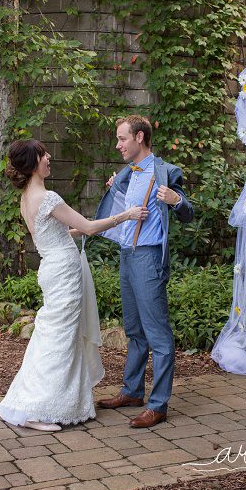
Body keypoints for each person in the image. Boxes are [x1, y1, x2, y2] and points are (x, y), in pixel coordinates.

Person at [0, 139, 149, 431]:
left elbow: (61, 232)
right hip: (63, 273)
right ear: (33, 163)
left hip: (51, 268)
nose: (49, 156)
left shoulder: (27, 199)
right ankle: (37, 409)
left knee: (53, 334)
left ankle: (47, 401)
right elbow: (90, 226)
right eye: (43, 154)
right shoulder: (48, 197)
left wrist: (91, 228)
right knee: (60, 337)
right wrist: (126, 215)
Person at [90, 115, 195, 428]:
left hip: (148, 258)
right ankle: (132, 392)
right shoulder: (128, 172)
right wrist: (114, 185)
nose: (118, 145)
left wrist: (176, 200)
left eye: (122, 138)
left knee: (158, 334)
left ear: (139, 137)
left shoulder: (164, 171)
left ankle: (158, 405)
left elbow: (188, 212)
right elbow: (119, 200)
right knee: (134, 330)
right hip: (126, 256)